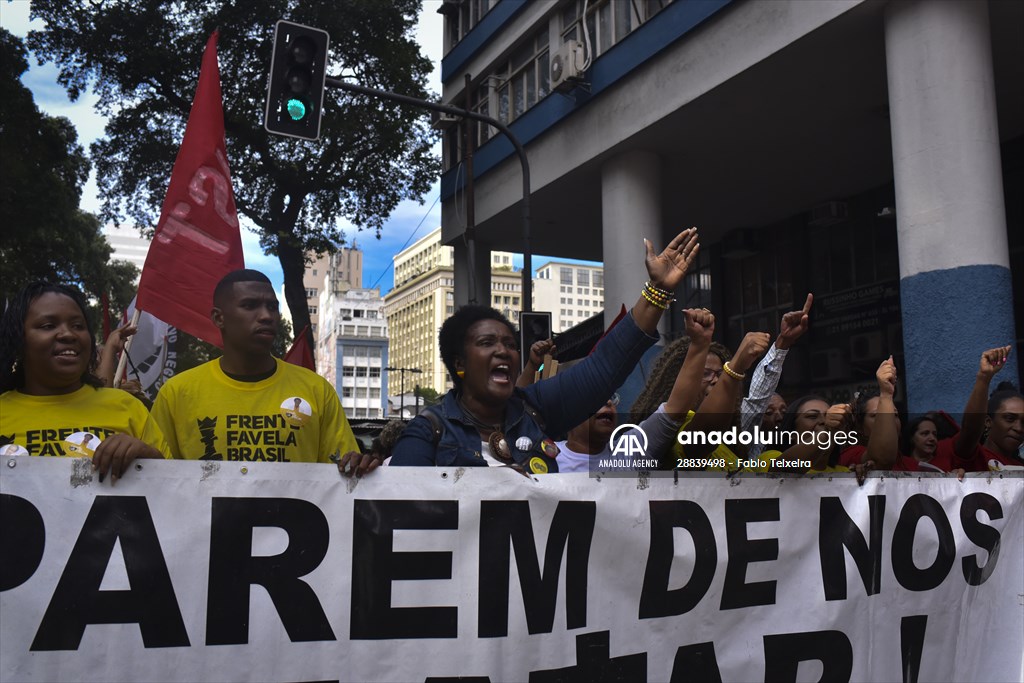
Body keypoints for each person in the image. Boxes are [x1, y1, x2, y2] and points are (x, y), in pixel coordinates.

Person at [374, 228, 701, 473]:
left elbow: (604, 367)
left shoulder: (536, 410)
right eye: (487, 343)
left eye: (509, 344)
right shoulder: (427, 430)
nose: (503, 351)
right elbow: (404, 514)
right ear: (458, 362)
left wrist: (656, 292)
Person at [151, 269, 360, 464]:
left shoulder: (317, 391)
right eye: (250, 306)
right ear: (218, 317)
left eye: (272, 306)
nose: (266, 316)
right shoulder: (177, 394)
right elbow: (155, 475)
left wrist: (359, 467)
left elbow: (343, 476)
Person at [0, 281, 169, 482]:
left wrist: (148, 458)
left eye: (78, 326)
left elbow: (180, 488)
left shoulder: (127, 407)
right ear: (18, 340)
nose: (68, 334)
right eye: (48, 326)